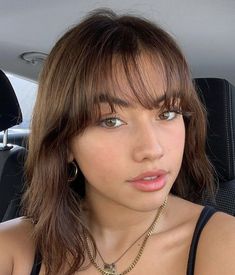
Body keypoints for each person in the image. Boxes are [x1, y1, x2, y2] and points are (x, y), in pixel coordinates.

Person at [1, 8, 235, 275]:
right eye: (110, 121)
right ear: (65, 143)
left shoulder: (224, 245)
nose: (152, 149)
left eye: (167, 113)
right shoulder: (12, 250)